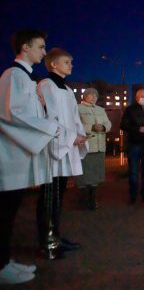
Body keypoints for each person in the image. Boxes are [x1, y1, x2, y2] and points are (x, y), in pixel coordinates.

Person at [0, 29, 58, 284]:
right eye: (41, 46)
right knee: (4, 213)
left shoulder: (24, 78)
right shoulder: (14, 76)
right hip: (10, 158)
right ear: (26, 47)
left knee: (10, 213)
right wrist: (50, 128)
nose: (44, 52)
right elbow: (12, 114)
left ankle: (5, 261)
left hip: (18, 157)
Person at [36, 48, 88, 255]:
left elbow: (74, 118)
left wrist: (79, 135)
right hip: (52, 147)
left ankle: (55, 236)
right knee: (49, 197)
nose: (71, 65)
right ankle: (47, 242)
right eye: (67, 62)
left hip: (67, 146)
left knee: (59, 195)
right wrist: (69, 136)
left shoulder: (66, 89)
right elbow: (48, 118)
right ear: (54, 65)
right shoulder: (45, 85)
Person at [76, 88, 111, 210]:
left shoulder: (101, 110)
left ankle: (93, 198)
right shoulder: (78, 108)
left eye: (95, 96)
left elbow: (109, 124)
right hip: (86, 146)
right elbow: (75, 124)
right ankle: (84, 198)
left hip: (99, 146)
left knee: (96, 173)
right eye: (91, 95)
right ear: (85, 96)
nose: (93, 98)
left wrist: (104, 127)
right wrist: (91, 127)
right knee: (85, 172)